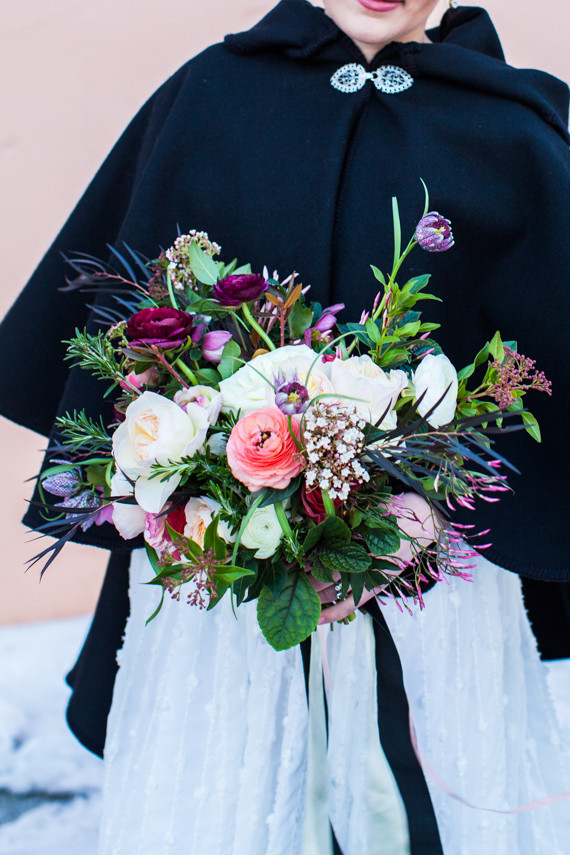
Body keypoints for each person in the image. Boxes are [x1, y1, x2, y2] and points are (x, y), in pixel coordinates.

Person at [1, 1, 569, 852]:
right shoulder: (212, 98)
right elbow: (127, 334)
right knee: (235, 803)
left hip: (434, 590)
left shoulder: (515, 126)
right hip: (222, 585)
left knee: (421, 808)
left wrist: (423, 503)